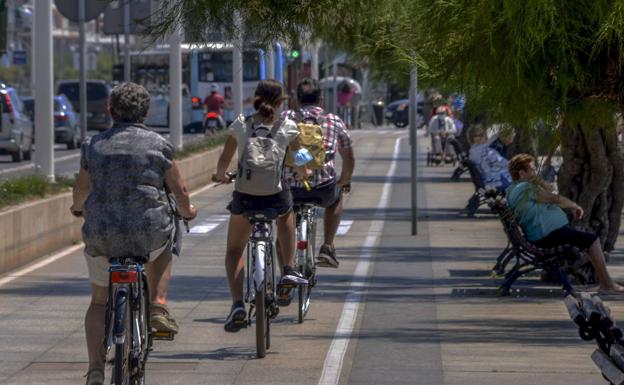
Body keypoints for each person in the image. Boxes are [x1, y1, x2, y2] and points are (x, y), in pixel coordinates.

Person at [71, 82, 198, 385]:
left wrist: (77, 208)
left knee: (99, 302)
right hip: (147, 233)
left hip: (103, 235)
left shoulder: (94, 145)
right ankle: (158, 305)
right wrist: (187, 211)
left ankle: (96, 370)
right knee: (169, 237)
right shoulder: (159, 144)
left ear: (110, 110)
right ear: (146, 111)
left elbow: (81, 190)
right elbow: (179, 190)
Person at [213, 79, 311, 333]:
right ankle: (288, 268)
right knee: (286, 212)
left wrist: (221, 174)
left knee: (234, 251)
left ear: (256, 98)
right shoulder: (287, 126)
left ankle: (237, 304)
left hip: (245, 197)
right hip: (274, 197)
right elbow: (301, 158)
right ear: (280, 103)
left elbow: (225, 158)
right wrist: (305, 172)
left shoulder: (241, 125)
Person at [506, 154, 624, 293]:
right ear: (521, 173)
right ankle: (607, 284)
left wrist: (538, 181)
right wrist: (575, 206)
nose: (535, 171)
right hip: (546, 236)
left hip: (542, 234)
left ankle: (605, 281)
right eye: (532, 169)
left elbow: (549, 190)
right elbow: (555, 199)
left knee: (587, 238)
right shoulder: (525, 188)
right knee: (592, 240)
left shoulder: (513, 189)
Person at [280, 77, 355, 272]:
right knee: (337, 196)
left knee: (283, 226)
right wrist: (344, 180)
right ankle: (327, 247)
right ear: (321, 101)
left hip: (291, 188)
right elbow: (349, 157)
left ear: (296, 100)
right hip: (323, 188)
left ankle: (286, 273)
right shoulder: (333, 120)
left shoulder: (285, 117)